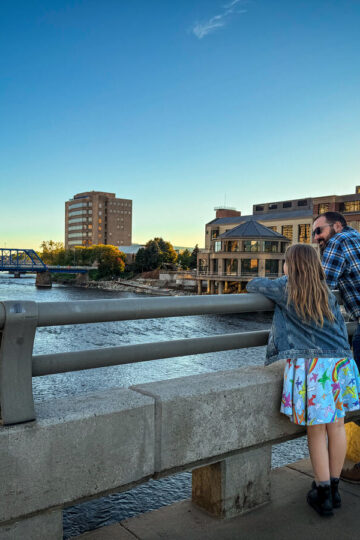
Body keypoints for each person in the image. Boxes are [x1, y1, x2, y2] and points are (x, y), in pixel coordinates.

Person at [247, 244, 360, 516]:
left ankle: (322, 494)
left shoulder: (286, 289)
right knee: (336, 426)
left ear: (290, 266)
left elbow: (253, 284)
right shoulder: (325, 292)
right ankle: (334, 489)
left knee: (316, 431)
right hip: (341, 362)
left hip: (315, 367)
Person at [312, 211, 360, 482]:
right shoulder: (357, 240)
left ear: (338, 226)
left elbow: (321, 285)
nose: (317, 238)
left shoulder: (338, 242)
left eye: (320, 231)